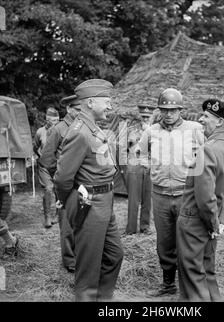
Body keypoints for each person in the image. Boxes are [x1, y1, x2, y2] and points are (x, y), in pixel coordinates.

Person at [54, 79, 124, 302]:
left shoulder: (92, 128)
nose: (110, 106)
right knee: (88, 266)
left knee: (114, 255)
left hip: (104, 200)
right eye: (107, 101)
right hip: (89, 201)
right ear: (91, 102)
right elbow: (63, 178)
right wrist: (69, 202)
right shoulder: (80, 132)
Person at [138, 88, 204, 296]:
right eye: (165, 110)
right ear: (160, 110)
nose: (169, 114)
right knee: (165, 242)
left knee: (187, 241)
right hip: (160, 195)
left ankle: (189, 286)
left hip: (186, 195)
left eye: (173, 110)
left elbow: (208, 155)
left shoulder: (194, 129)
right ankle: (168, 284)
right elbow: (140, 154)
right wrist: (148, 166)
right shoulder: (150, 131)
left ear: (180, 110)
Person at [176, 99, 224, 302]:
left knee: (192, 277)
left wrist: (213, 224)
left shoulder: (207, 149)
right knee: (207, 273)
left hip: (195, 222)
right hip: (211, 222)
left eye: (206, 116)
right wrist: (220, 222)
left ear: (219, 122)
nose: (201, 119)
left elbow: (204, 197)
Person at [39, 95, 81, 272]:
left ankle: (81, 256)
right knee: (67, 223)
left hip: (84, 183)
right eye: (78, 109)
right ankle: (70, 261)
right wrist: (61, 173)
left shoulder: (84, 126)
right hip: (65, 184)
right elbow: (46, 159)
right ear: (69, 109)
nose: (81, 112)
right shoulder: (58, 129)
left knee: (83, 220)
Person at [121, 104, 156, 235]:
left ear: (153, 116)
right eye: (144, 116)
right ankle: (130, 229)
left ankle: (145, 227)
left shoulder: (157, 131)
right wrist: (125, 167)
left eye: (148, 116)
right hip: (134, 166)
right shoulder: (131, 129)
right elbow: (123, 149)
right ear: (140, 116)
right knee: (133, 199)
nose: (146, 119)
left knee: (148, 199)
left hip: (149, 167)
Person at [33, 107, 59, 228]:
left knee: (59, 189)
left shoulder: (60, 131)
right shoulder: (40, 132)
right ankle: (47, 217)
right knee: (48, 189)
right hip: (44, 166)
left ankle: (58, 215)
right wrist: (40, 157)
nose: (56, 122)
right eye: (53, 120)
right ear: (47, 120)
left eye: (57, 120)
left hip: (58, 165)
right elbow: (35, 147)